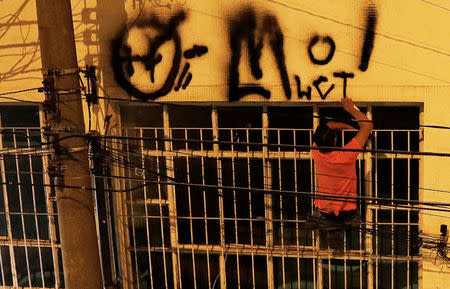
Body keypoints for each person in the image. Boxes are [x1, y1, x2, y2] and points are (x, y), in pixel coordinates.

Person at [309, 97, 373, 249]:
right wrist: (351, 109)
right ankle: (341, 238)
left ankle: (327, 229)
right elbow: (367, 125)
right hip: (347, 212)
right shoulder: (347, 155)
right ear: (336, 140)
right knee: (354, 221)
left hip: (325, 211)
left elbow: (327, 126)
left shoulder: (316, 151)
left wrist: (354, 130)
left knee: (328, 223)